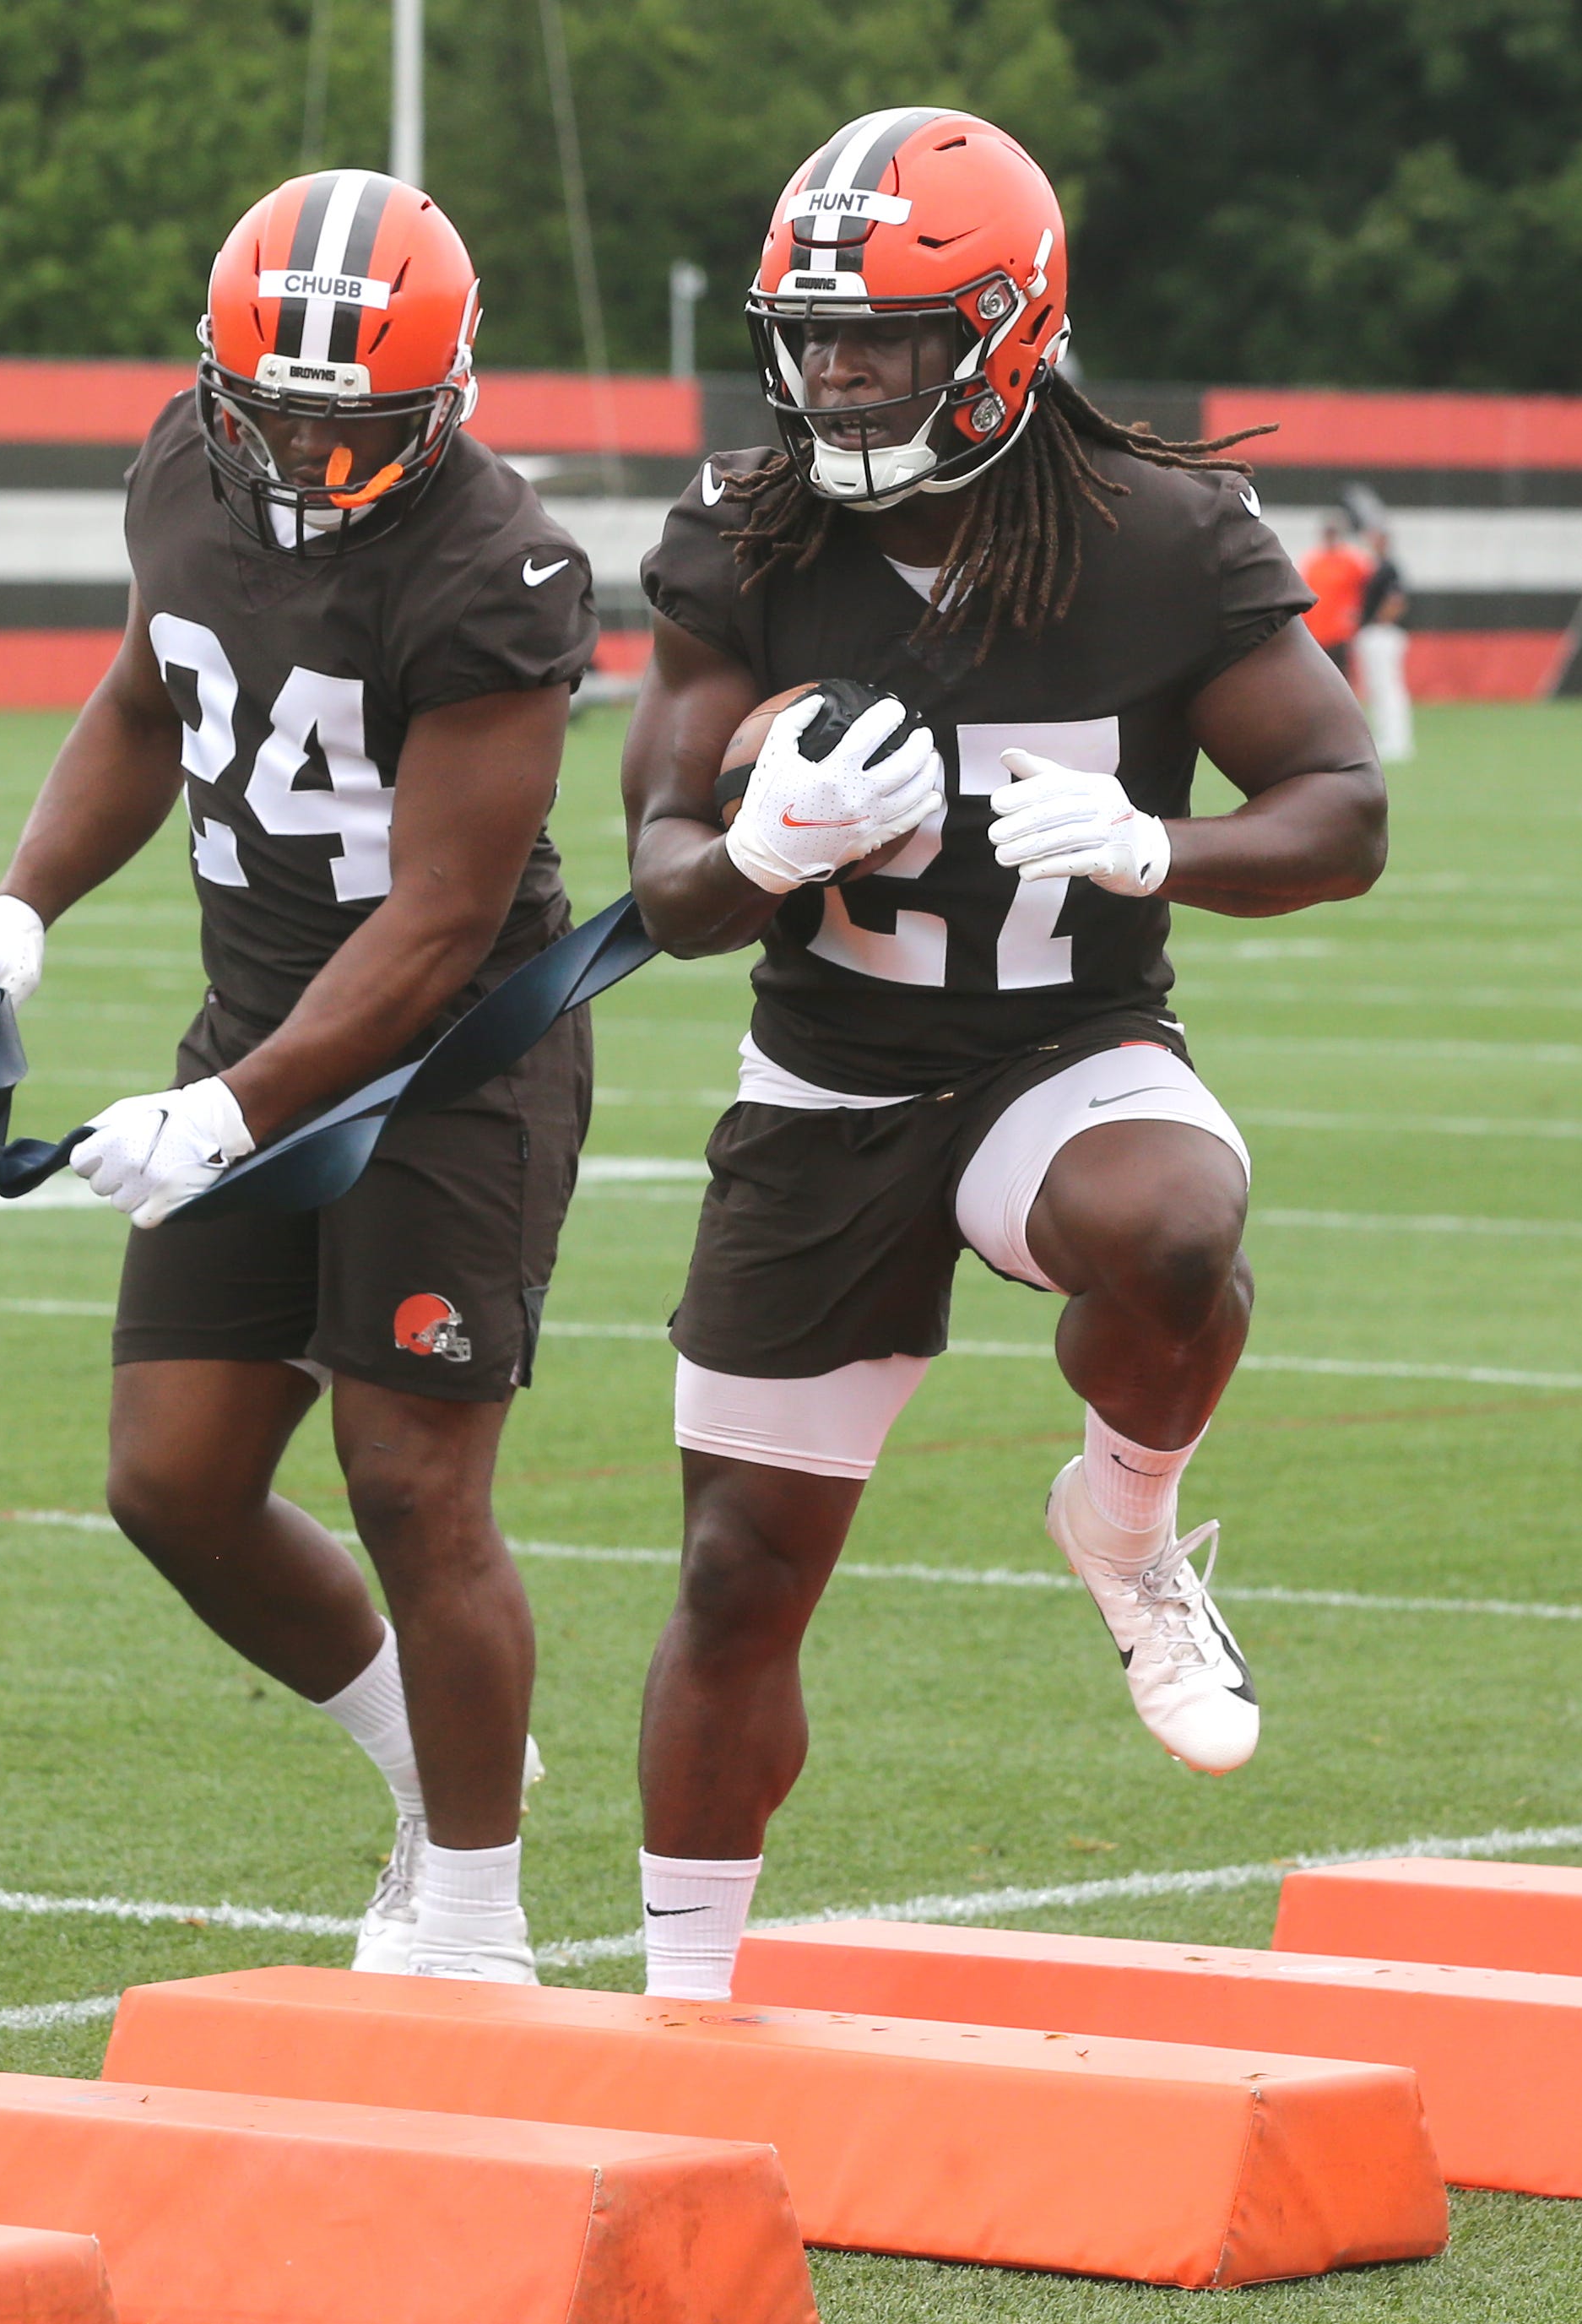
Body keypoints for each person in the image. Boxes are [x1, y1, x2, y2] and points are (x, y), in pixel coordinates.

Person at [619, 110, 1384, 1999]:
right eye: (814, 331)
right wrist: (752, 852)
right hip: (824, 1081)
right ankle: (682, 2003)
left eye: (883, 331)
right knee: (734, 1577)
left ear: (1011, 329)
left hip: (1062, 1042)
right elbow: (654, 875)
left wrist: (1160, 848)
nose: (839, 369)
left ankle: (1123, 1521)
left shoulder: (1156, 533)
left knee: (1176, 1221)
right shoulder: (750, 527)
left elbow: (1339, 802)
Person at [0, 171, 596, 1980]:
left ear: (445, 402)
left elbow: (444, 918)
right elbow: (151, 698)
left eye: (347, 420)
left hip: (456, 1064)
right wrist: (17, 904)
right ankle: (435, 1766)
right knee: (174, 1475)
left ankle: (472, 1914)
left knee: (411, 1481)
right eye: (270, 407)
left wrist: (229, 1108)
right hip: (259, 1026)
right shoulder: (179, 468)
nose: (300, 448)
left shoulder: (499, 563)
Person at [1353, 522, 1413, 763]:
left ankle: (1397, 740)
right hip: (1373, 631)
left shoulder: (1389, 568)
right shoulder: (1375, 567)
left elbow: (1397, 600)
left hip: (1382, 633)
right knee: (1377, 688)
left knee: (1388, 687)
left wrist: (1381, 621)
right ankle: (1385, 737)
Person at [1299, 512, 1373, 681]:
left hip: (1341, 631)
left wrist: (1359, 613)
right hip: (1317, 629)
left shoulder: (1352, 560)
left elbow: (1370, 587)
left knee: (1341, 675)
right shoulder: (1313, 561)